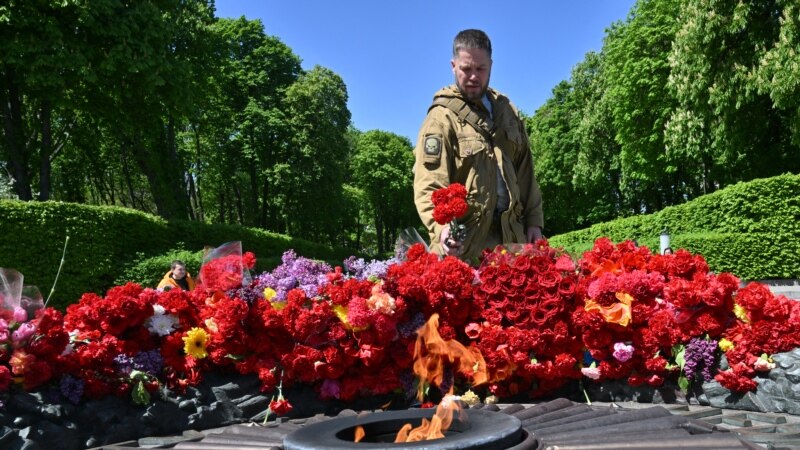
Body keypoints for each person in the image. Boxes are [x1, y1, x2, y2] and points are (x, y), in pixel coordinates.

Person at [413, 29, 543, 261]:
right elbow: (429, 184)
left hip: (513, 243)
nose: (473, 76)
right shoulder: (440, 118)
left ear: (491, 65)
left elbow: (526, 172)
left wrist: (534, 222)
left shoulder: (508, 111)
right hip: (464, 246)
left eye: (480, 69)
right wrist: (441, 229)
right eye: (466, 69)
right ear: (453, 65)